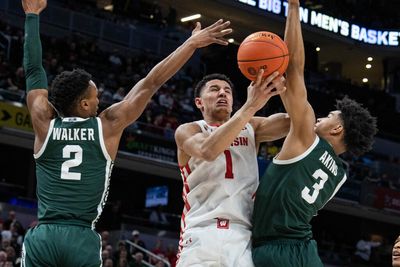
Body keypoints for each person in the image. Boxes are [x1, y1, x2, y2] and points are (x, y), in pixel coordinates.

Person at [20, 0, 232, 266]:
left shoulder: (44, 123)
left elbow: (32, 70)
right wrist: (190, 45)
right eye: (96, 97)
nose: (100, 101)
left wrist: (31, 16)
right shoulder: (107, 125)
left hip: (44, 237)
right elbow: (152, 82)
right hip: (80, 238)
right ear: (84, 104)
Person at [251, 1, 378, 267]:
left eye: (329, 116)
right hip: (306, 252)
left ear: (337, 129)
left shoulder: (306, 138)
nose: (320, 117)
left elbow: (293, 68)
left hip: (275, 250)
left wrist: (294, 7)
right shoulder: (340, 175)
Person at [174, 68, 290, 266]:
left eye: (227, 91)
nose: (222, 93)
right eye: (214, 89)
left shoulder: (252, 127)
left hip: (243, 236)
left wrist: (283, 88)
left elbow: (298, 121)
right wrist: (250, 106)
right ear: (199, 102)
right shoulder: (190, 129)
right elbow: (208, 150)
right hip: (201, 231)